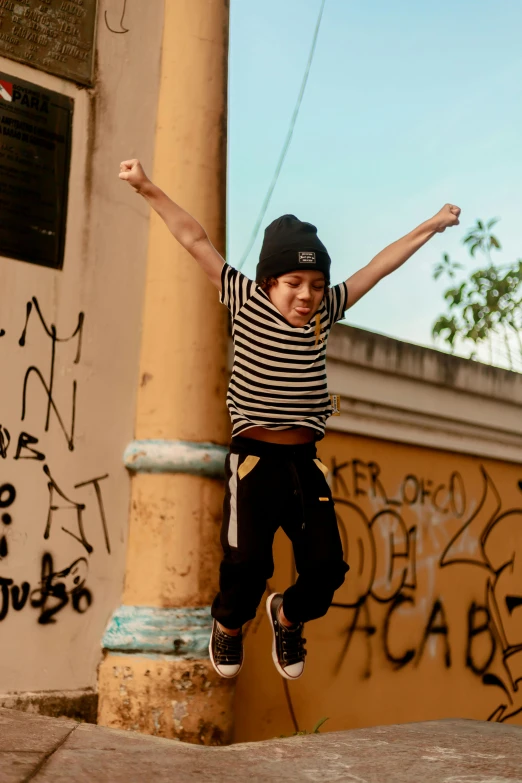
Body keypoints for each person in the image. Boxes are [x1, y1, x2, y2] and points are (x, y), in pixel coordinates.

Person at [119, 158, 461, 680]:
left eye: (316, 284)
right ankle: (229, 628)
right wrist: (147, 188)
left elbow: (380, 264)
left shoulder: (326, 312)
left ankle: (288, 615)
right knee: (248, 567)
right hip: (254, 460)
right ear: (269, 282)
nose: (306, 295)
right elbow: (195, 239)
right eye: (294, 283)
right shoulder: (244, 299)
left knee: (327, 570)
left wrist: (431, 226)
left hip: (305, 462)